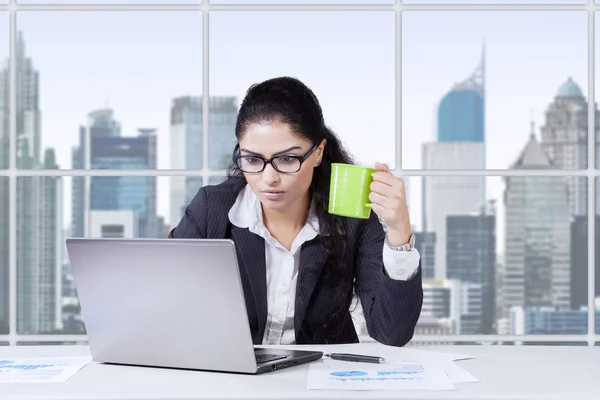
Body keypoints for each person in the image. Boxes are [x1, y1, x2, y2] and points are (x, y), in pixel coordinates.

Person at [169, 76, 423, 347]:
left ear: (318, 152)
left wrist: (399, 232)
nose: (269, 179)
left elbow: (391, 333)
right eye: (253, 159)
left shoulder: (351, 217)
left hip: (322, 380)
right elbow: (167, 301)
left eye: (287, 159)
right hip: (235, 379)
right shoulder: (213, 209)